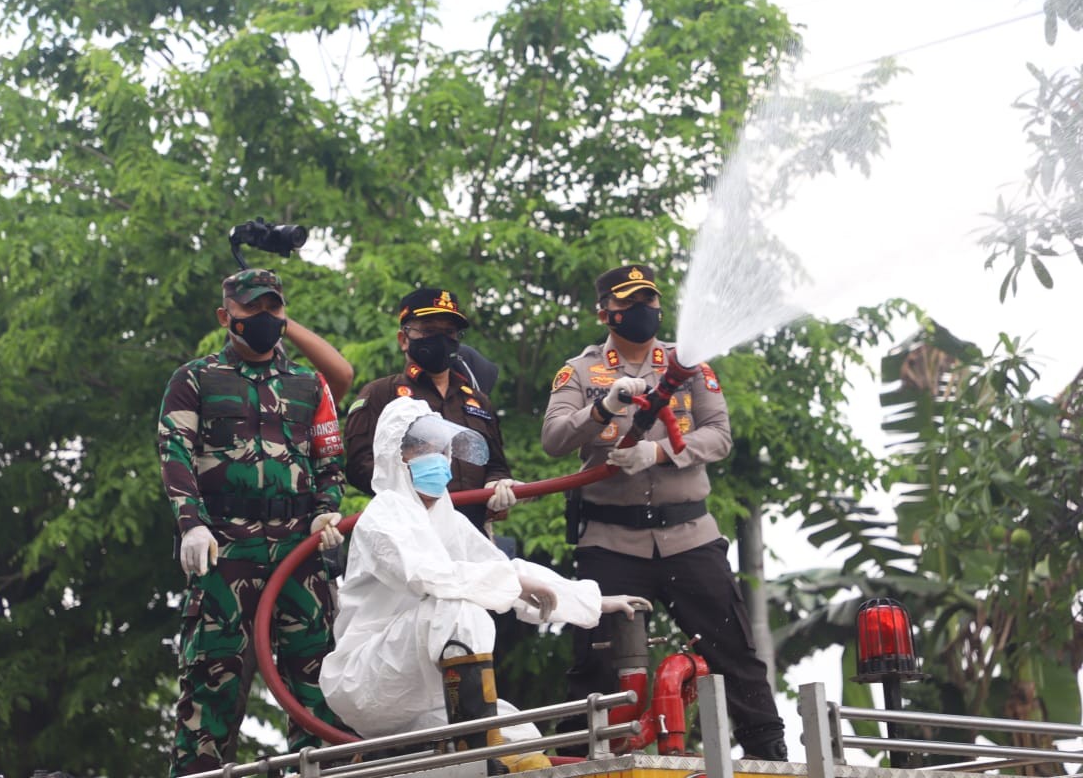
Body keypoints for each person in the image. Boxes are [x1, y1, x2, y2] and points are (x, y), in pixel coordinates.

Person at [320, 396, 648, 772]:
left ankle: (477, 747)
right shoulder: (384, 516)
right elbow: (429, 576)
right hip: (370, 678)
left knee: (527, 743)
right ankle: (479, 756)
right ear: (398, 457)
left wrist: (593, 601)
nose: (440, 459)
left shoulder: (448, 519)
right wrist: (513, 581)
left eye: (443, 450)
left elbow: (502, 568)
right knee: (458, 608)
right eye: (424, 449)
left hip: (429, 693)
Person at [540, 264, 788, 761]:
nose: (644, 311)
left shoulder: (688, 363)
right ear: (606, 312)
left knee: (733, 653)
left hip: (689, 535)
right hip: (611, 541)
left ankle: (771, 757)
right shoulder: (582, 371)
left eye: (650, 301)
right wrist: (603, 407)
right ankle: (581, 762)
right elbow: (553, 441)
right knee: (593, 664)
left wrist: (658, 453)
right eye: (631, 303)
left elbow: (718, 435)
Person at [157, 268, 350, 776]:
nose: (264, 319)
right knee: (210, 685)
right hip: (225, 548)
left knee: (316, 685)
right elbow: (174, 452)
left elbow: (330, 458)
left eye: (273, 309)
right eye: (251, 311)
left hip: (298, 550)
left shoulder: (309, 384)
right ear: (227, 317)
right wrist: (190, 523)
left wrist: (326, 510)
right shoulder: (195, 379)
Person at [343, 287, 518, 533]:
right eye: (428, 331)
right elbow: (358, 466)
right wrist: (411, 485)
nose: (441, 339)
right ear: (404, 339)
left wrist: (497, 484)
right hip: (409, 532)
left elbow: (496, 464)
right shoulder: (381, 394)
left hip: (472, 533)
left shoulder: (478, 401)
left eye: (449, 332)